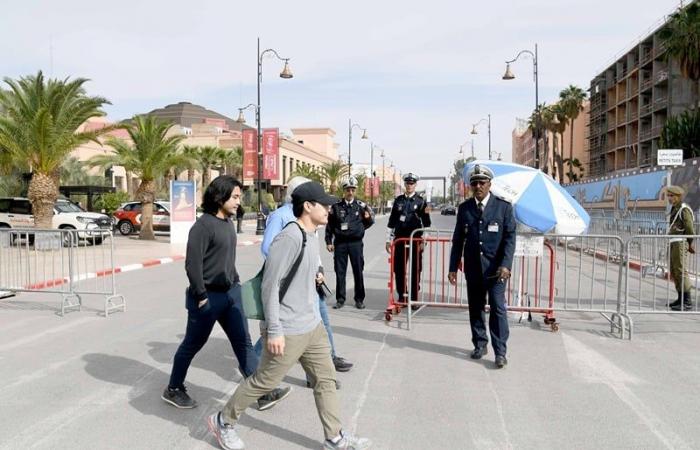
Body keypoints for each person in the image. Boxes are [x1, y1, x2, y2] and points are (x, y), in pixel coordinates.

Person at [207, 181, 371, 450]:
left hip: (312, 326)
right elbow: (270, 286)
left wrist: (315, 276)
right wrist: (274, 329)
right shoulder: (290, 237)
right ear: (308, 206)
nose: (329, 208)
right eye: (324, 204)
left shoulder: (312, 234)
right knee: (265, 381)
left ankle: (334, 437)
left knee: (325, 380)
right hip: (289, 327)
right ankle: (223, 421)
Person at [162, 175, 290, 411]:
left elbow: (227, 260)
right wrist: (201, 297)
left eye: (239, 197)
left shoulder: (228, 223)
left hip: (231, 294)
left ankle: (261, 394)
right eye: (234, 197)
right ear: (219, 196)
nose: (238, 202)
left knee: (244, 344)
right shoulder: (202, 226)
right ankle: (174, 388)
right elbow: (193, 265)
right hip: (207, 298)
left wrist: (237, 284)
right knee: (192, 344)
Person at [256, 176, 353, 376]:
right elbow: (269, 248)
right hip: (292, 286)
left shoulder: (313, 220)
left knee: (319, 324)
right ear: (305, 201)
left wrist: (318, 270)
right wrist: (292, 270)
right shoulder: (281, 216)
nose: (326, 207)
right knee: (277, 329)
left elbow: (311, 251)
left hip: (310, 284)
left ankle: (322, 369)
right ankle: (252, 363)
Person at [447, 164, 516, 369]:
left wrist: (506, 264)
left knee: (497, 309)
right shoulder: (465, 208)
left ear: (489, 184)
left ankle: (500, 351)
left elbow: (510, 238)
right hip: (474, 268)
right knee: (475, 308)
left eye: (482, 183)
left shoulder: (503, 207)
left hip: (496, 270)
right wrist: (453, 266)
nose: (478, 186)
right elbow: (458, 239)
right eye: (474, 183)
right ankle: (479, 344)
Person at [326, 176, 375, 309]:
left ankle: (359, 299)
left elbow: (369, 222)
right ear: (344, 191)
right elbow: (330, 226)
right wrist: (328, 241)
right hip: (340, 244)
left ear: (355, 191)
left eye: (353, 190)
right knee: (340, 272)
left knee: (358, 271)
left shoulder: (360, 206)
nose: (350, 192)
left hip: (355, 244)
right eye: (348, 189)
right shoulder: (336, 207)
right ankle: (340, 299)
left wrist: (361, 227)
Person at [385, 172, 431, 306]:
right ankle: (402, 296)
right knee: (399, 269)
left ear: (415, 185)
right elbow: (391, 221)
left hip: (415, 240)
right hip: (399, 239)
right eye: (407, 183)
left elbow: (427, 223)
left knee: (416, 269)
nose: (409, 185)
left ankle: (414, 298)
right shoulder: (398, 200)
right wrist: (388, 240)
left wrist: (424, 240)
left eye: (412, 183)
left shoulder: (421, 202)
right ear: (405, 184)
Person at [667, 185, 695, 311]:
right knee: (674, 270)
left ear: (678, 197)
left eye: (671, 196)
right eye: (668, 195)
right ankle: (680, 298)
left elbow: (689, 228)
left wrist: (690, 243)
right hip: (674, 242)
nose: (669, 198)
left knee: (681, 271)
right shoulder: (675, 208)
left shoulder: (683, 209)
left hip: (680, 242)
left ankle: (687, 301)